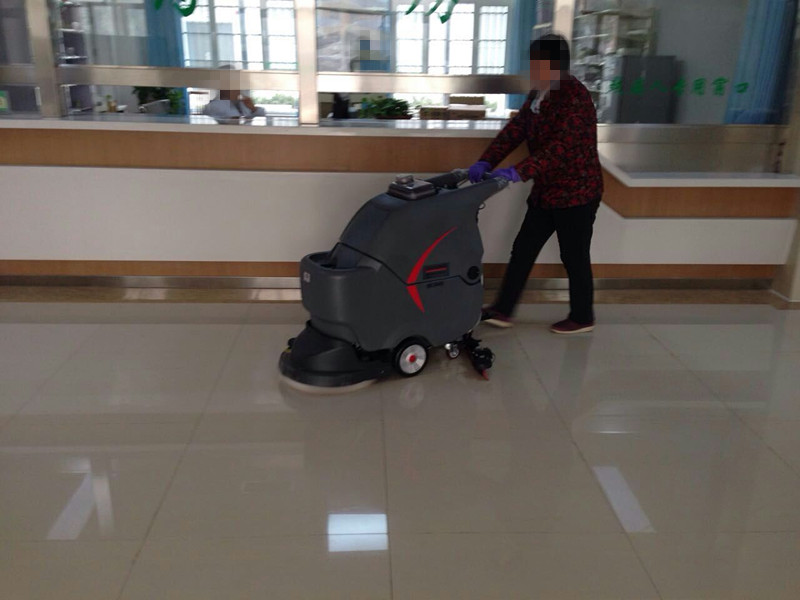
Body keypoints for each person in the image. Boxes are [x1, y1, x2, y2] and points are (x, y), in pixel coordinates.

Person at [470, 34, 603, 335]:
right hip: (546, 192)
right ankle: (503, 310)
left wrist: (518, 172)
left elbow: (559, 148)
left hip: (577, 193)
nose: (533, 71)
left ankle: (583, 317)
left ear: (557, 66)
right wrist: (486, 161)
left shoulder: (575, 98)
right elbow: (516, 129)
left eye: (538, 65)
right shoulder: (539, 93)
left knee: (574, 256)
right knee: (523, 249)